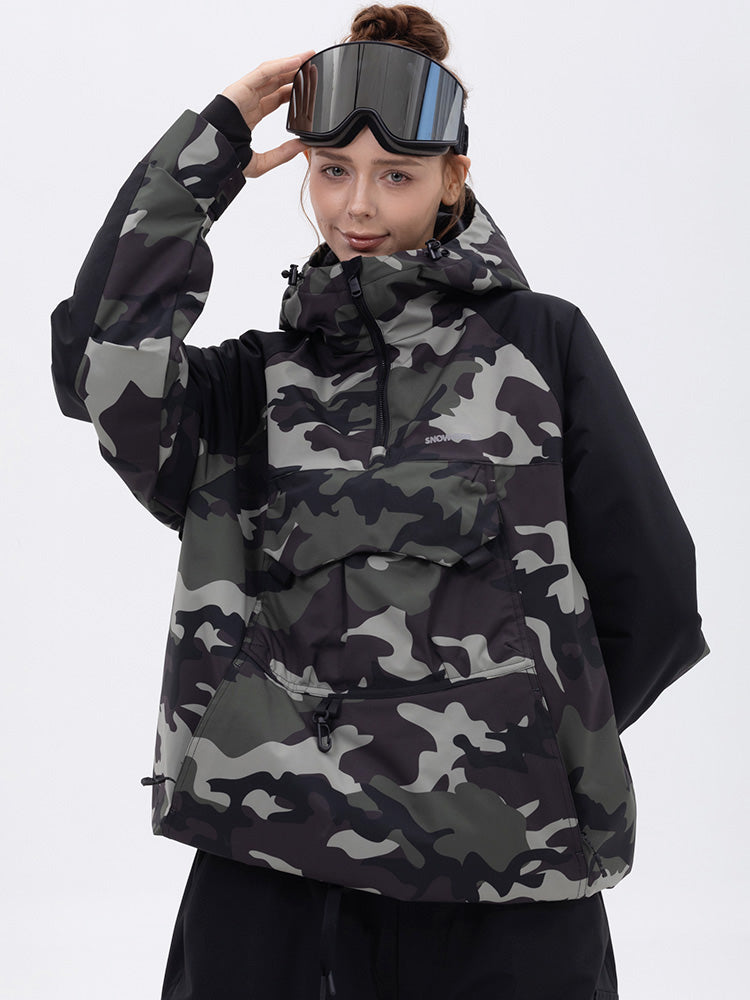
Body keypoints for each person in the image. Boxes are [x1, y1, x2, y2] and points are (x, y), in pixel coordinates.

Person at [50, 5, 708, 998]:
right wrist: (210, 147)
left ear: (453, 177)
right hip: (273, 884)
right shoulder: (247, 389)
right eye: (332, 170)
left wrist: (518, 740)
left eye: (395, 175)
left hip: (506, 893)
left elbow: (653, 597)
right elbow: (98, 368)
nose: (356, 206)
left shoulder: (540, 347)